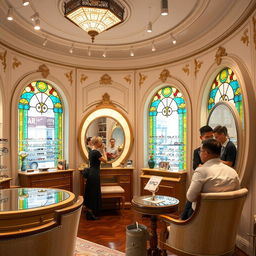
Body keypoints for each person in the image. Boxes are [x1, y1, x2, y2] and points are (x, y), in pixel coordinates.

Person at [185, 138, 240, 218]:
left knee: (187, 210)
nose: (200, 154)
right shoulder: (233, 172)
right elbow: (237, 195)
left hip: (201, 218)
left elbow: (190, 197)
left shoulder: (201, 171)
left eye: (201, 151)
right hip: (226, 218)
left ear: (206, 153)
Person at [181, 125, 213, 220]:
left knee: (190, 202)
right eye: (207, 137)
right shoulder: (197, 151)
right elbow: (195, 166)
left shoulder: (217, 149)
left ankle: (182, 221)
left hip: (209, 183)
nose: (210, 139)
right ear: (201, 138)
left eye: (211, 137)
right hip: (200, 179)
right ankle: (183, 221)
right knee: (190, 201)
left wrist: (203, 166)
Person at [84, 136, 107, 220]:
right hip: (95, 174)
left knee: (91, 192)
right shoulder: (96, 152)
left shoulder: (91, 151)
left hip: (91, 173)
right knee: (94, 193)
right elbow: (106, 160)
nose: (101, 143)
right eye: (100, 142)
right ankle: (91, 214)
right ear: (97, 143)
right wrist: (104, 150)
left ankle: (90, 212)